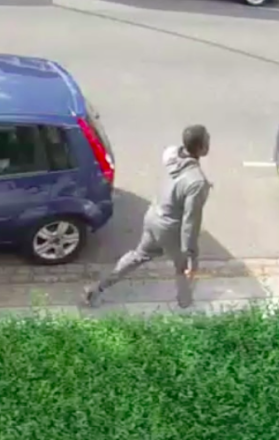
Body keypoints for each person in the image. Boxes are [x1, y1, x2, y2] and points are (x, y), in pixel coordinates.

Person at [83, 125, 212, 309]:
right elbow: (190, 223)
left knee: (138, 255)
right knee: (184, 268)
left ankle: (97, 289)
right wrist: (190, 255)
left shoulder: (173, 158)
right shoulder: (196, 182)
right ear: (201, 147)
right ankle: (186, 305)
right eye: (207, 139)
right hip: (170, 228)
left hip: (153, 217)